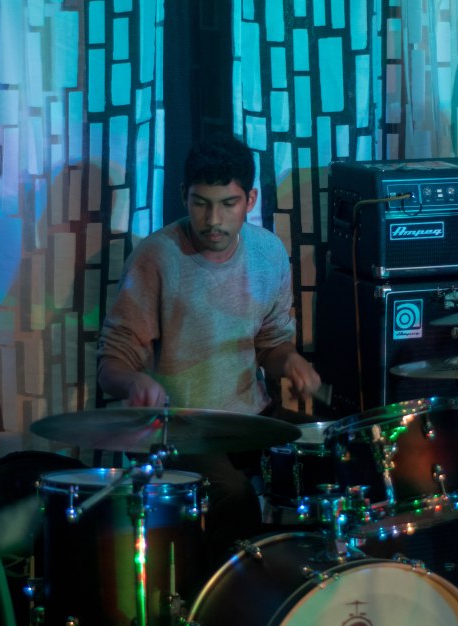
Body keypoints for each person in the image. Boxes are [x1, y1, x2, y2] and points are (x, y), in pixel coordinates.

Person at [96, 133, 322, 569]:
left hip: (248, 417)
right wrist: (134, 380)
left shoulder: (268, 252)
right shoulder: (156, 257)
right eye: (200, 204)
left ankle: (307, 588)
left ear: (250, 199)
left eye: (228, 204)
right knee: (232, 495)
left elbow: (271, 344)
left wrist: (290, 360)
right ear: (184, 195)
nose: (213, 220)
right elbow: (112, 362)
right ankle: (228, 595)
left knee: (324, 461)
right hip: (179, 428)